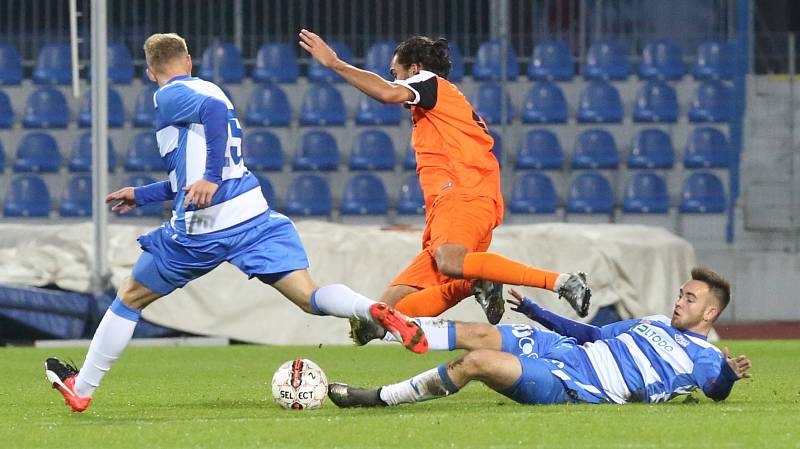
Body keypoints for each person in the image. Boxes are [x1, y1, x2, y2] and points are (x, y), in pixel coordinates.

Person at [44, 33, 427, 413]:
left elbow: (207, 149)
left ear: (149, 73)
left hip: (205, 225)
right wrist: (141, 194)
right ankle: (371, 309)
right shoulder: (211, 89)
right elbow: (186, 179)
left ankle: (84, 386)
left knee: (129, 297)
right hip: (251, 213)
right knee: (309, 297)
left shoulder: (169, 95)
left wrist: (210, 177)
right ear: (189, 60)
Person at [298, 30, 591, 328]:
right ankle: (473, 284)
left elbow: (387, 93)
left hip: (462, 196)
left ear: (414, 70)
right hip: (457, 204)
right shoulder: (443, 107)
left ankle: (561, 282)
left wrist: (335, 63)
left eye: (395, 72)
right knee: (383, 316)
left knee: (451, 262)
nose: (393, 78)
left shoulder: (430, 83)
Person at [328, 267, 752, 407]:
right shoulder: (656, 321)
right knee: (480, 332)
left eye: (690, 298)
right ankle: (387, 330)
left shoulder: (706, 357)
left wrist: (729, 377)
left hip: (582, 384)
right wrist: (537, 312)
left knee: (477, 362)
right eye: (681, 293)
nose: (680, 301)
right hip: (569, 349)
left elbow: (714, 391)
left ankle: (381, 397)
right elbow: (592, 333)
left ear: (709, 313)